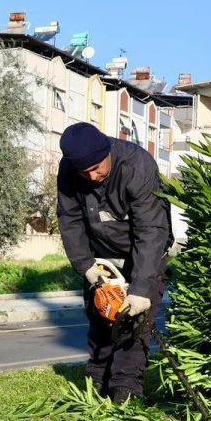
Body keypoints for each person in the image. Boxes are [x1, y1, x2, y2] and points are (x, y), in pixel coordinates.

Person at [56, 122, 172, 404]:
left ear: (107, 151)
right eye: (86, 172)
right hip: (101, 256)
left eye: (97, 167)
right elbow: (69, 220)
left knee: (134, 324)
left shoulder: (137, 165)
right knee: (100, 317)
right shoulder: (70, 169)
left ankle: (125, 389)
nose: (93, 176)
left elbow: (151, 230)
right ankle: (97, 380)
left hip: (144, 253)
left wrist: (142, 287)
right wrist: (86, 267)